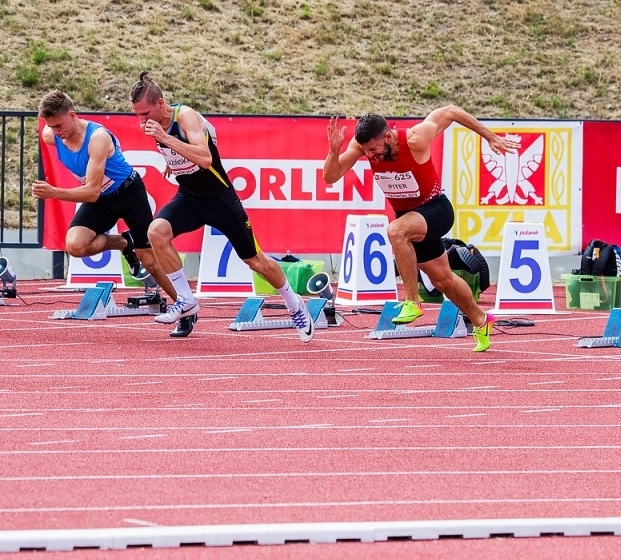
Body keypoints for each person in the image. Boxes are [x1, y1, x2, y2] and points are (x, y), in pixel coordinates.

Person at [130, 72, 309, 339]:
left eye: (144, 113)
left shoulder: (185, 116)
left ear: (160, 103)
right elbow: (186, 151)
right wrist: (172, 159)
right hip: (190, 198)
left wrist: (166, 140)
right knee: (156, 231)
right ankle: (186, 300)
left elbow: (204, 157)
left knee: (255, 261)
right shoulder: (154, 123)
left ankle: (294, 303)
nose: (141, 120)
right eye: (136, 115)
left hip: (220, 200)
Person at [322, 107, 516, 352]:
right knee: (443, 279)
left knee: (395, 231)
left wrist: (489, 136)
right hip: (410, 218)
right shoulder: (363, 147)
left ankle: (412, 300)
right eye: (367, 151)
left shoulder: (415, 138)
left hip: (436, 210)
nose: (371, 155)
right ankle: (481, 320)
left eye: (374, 150)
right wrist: (333, 150)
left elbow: (451, 111)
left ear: (389, 137)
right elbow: (331, 177)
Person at [30, 90, 181, 307]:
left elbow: (91, 192)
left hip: (128, 193)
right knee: (75, 245)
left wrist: (53, 192)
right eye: (51, 126)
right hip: (103, 201)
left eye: (59, 126)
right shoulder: (50, 134)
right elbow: (95, 195)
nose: (56, 132)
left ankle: (183, 306)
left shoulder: (96, 138)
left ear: (73, 115)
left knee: (148, 259)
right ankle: (123, 242)